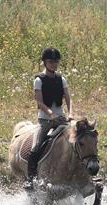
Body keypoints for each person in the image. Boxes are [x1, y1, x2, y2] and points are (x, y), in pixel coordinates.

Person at [23, 47, 73, 190]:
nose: (54, 64)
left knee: (76, 142)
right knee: (35, 148)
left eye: (56, 62)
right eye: (51, 62)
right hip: (45, 120)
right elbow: (39, 102)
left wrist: (70, 113)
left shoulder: (61, 79)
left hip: (61, 119)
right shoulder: (39, 80)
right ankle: (30, 179)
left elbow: (68, 98)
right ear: (45, 62)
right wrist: (51, 114)